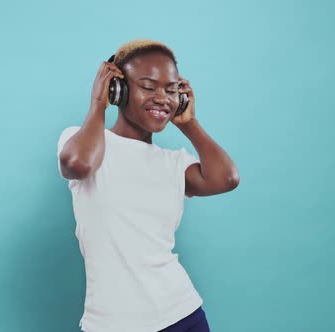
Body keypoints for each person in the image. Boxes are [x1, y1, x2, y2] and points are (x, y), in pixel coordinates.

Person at [57, 39, 240, 332]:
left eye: (171, 90)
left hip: (181, 315)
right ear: (118, 89)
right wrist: (98, 103)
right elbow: (78, 165)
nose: (162, 98)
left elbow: (227, 178)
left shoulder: (175, 164)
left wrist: (189, 123)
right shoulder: (79, 141)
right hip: (112, 323)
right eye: (148, 86)